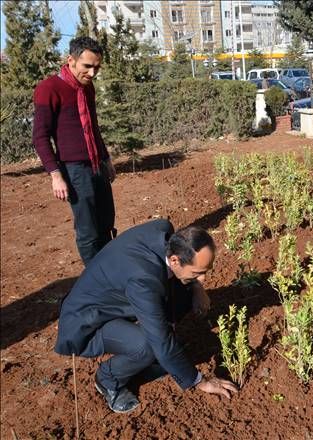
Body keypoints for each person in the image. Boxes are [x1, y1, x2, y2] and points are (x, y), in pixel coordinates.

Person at [54, 219, 238, 413]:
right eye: (198, 273)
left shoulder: (165, 234)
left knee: (182, 294)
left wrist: (196, 287)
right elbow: (161, 341)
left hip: (117, 302)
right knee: (149, 346)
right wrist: (200, 381)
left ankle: (159, 358)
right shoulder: (145, 280)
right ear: (175, 260)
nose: (203, 279)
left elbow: (179, 284)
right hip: (88, 323)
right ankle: (108, 379)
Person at [32, 37, 116, 266]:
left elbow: (93, 127)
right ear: (71, 60)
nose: (92, 73)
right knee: (88, 228)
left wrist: (106, 159)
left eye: (96, 67)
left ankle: (110, 268)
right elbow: (40, 137)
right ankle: (96, 279)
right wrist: (55, 175)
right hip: (74, 169)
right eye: (87, 66)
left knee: (106, 221)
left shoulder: (87, 89)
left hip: (96, 162)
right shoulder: (48, 89)